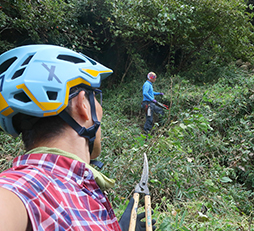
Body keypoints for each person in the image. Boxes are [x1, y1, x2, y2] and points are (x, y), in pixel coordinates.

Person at [0, 44, 156, 231]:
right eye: (96, 97)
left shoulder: (79, 189)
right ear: (82, 104)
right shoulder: (24, 187)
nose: (101, 109)